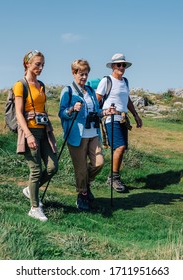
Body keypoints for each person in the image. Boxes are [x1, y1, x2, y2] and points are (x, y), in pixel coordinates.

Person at [13, 50, 58, 222]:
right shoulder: (20, 85)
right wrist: (29, 135)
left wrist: (50, 133)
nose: (40, 68)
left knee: (53, 167)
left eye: (42, 65)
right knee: (36, 170)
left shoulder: (41, 85)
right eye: (37, 64)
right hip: (29, 131)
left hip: (43, 130)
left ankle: (30, 190)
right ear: (27, 64)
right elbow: (18, 113)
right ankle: (34, 207)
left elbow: (43, 109)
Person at [58, 59, 104, 211]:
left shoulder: (90, 91)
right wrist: (72, 109)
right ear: (74, 73)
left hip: (93, 133)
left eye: (86, 74)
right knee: (81, 169)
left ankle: (84, 185)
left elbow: (96, 111)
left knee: (99, 163)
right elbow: (62, 113)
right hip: (76, 135)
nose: (84, 77)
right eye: (81, 74)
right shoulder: (68, 91)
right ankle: (82, 194)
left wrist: (104, 112)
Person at [96, 53, 143, 193]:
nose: (121, 67)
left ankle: (113, 176)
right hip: (110, 119)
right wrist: (99, 114)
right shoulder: (106, 81)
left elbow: (127, 100)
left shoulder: (125, 82)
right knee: (120, 147)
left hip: (123, 119)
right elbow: (96, 99)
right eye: (118, 65)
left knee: (121, 148)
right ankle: (113, 178)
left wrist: (136, 115)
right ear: (112, 66)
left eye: (123, 65)